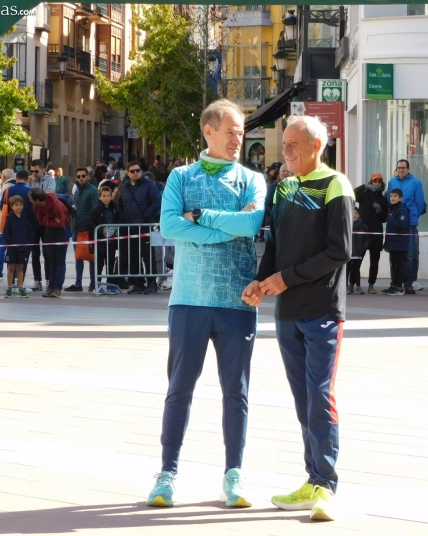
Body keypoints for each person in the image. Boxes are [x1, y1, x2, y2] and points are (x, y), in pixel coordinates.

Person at [146, 99, 266, 508]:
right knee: (179, 390)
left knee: (237, 392)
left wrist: (201, 219)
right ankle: (167, 473)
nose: (239, 138)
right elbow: (169, 225)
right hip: (189, 301)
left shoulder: (252, 180)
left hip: (238, 300)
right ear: (208, 131)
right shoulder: (180, 176)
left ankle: (234, 474)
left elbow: (251, 224)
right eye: (231, 130)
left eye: (242, 131)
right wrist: (224, 226)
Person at [242, 114, 353, 522]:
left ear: (315, 146)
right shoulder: (282, 187)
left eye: (293, 144)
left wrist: (284, 279)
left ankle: (326, 485)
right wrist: (260, 281)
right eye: (284, 144)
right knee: (303, 399)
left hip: (322, 310)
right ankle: (312, 479)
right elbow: (274, 243)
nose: (285, 151)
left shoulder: (335, 184)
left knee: (320, 397)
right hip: (286, 312)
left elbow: (338, 251)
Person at [116, 161, 161, 295]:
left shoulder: (148, 185)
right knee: (133, 256)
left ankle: (152, 283)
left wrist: (147, 215)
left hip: (144, 226)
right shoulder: (125, 186)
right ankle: (138, 283)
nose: (136, 173)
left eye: (138, 170)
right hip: (130, 227)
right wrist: (122, 217)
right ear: (127, 173)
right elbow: (119, 203)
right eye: (132, 171)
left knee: (148, 256)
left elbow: (157, 201)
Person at [386, 159, 425, 294]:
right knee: (394, 255)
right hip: (395, 224)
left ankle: (409, 283)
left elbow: (420, 204)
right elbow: (389, 201)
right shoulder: (392, 182)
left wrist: (412, 217)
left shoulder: (416, 183)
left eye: (403, 168)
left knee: (409, 254)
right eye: (399, 168)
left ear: (408, 169)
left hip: (409, 224)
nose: (401, 170)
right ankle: (395, 283)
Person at [29, 187, 71, 298]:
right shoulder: (36, 207)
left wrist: (48, 221)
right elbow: (41, 221)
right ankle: (50, 286)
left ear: (38, 200)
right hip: (50, 231)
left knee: (60, 260)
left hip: (63, 230)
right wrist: (52, 221)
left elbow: (61, 223)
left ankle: (58, 288)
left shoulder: (56, 206)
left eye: (31, 199)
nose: (30, 201)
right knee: (51, 259)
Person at [64, 167, 99, 293]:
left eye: (83, 176)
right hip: (76, 228)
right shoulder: (77, 191)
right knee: (78, 257)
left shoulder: (93, 190)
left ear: (88, 176)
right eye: (78, 177)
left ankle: (93, 283)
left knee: (91, 257)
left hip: (88, 228)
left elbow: (96, 209)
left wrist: (91, 226)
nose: (81, 178)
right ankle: (78, 283)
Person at [353, 173, 388, 293]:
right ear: (371, 182)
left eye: (379, 181)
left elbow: (384, 218)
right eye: (374, 181)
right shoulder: (364, 194)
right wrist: (364, 186)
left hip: (376, 231)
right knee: (357, 259)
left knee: (375, 261)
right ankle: (353, 284)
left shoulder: (383, 199)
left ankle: (371, 285)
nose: (377, 183)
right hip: (363, 230)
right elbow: (352, 194)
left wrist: (379, 211)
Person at [87, 185, 121, 295]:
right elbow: (91, 225)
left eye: (108, 196)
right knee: (99, 264)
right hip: (100, 243)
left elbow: (118, 221)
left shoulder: (114, 209)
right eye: (104, 196)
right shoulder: (95, 210)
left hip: (111, 242)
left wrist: (116, 230)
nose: (106, 198)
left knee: (111, 264)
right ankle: (97, 284)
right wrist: (101, 230)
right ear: (100, 197)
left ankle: (110, 284)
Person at [28, 160, 54, 292]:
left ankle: (49, 279)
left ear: (43, 170)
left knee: (47, 252)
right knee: (35, 253)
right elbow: (29, 198)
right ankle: (37, 281)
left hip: (45, 220)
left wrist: (35, 195)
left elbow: (47, 197)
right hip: (34, 220)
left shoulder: (50, 180)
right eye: (31, 171)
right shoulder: (30, 180)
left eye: (36, 171)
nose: (33, 173)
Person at [3, 195, 34, 298]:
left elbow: (30, 231)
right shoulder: (9, 218)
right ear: (12, 206)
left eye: (21, 205)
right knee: (11, 267)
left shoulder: (25, 218)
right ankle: (9, 288)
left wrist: (28, 242)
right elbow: (6, 232)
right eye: (16, 205)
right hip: (12, 248)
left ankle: (21, 288)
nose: (19, 207)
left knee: (21, 267)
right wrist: (11, 243)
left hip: (22, 248)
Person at [382, 188, 410, 295]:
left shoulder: (402, 209)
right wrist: (387, 242)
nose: (392, 198)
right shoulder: (391, 209)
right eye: (391, 196)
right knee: (393, 265)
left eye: (395, 196)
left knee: (399, 265)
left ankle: (398, 287)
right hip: (392, 243)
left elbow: (402, 224)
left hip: (400, 243)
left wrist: (391, 219)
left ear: (400, 198)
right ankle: (393, 284)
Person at [347, 206, 369, 294]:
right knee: (347, 270)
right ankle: (345, 287)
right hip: (348, 253)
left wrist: (363, 248)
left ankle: (358, 286)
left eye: (356, 213)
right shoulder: (346, 225)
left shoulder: (363, 227)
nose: (354, 215)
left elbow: (367, 239)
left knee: (356, 270)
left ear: (359, 215)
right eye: (352, 213)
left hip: (359, 253)